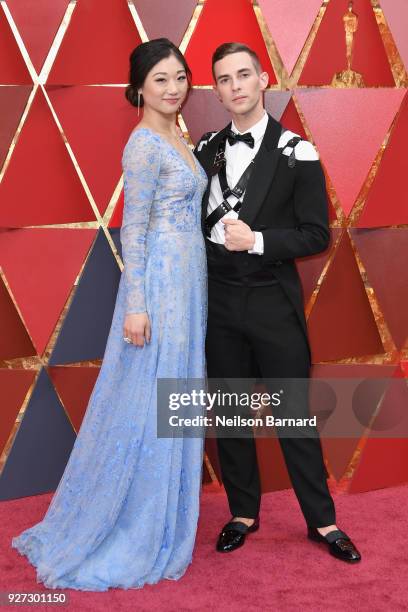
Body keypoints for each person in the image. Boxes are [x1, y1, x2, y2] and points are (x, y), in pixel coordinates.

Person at [11, 38, 208, 590]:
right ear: (139, 87)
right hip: (160, 290)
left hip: (189, 286)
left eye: (180, 77)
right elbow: (135, 231)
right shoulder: (145, 145)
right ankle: (131, 523)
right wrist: (139, 306)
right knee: (149, 401)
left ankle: (162, 512)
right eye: (161, 80)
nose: (173, 89)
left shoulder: (178, 134)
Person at [193, 42, 361, 563]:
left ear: (263, 79)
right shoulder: (204, 149)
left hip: (273, 302)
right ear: (217, 89)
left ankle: (323, 521)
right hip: (218, 302)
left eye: (244, 75)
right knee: (232, 415)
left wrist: (258, 240)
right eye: (224, 79)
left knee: (293, 416)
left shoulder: (298, 150)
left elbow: (316, 235)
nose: (236, 85)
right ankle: (243, 513)